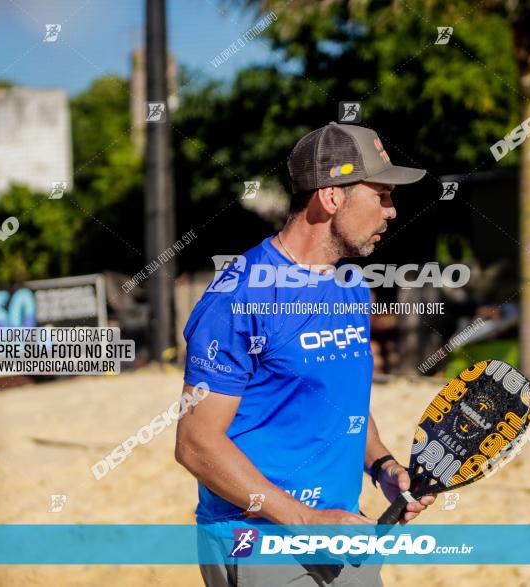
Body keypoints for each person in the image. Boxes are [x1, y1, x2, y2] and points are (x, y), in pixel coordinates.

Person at [175, 122, 434, 586]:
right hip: (258, 542)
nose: (392, 212)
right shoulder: (238, 298)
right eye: (382, 195)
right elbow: (196, 444)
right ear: (331, 197)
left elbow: (341, 403)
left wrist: (383, 466)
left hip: (344, 533)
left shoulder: (351, 287)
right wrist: (305, 521)